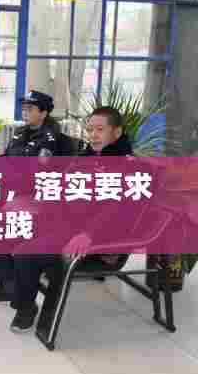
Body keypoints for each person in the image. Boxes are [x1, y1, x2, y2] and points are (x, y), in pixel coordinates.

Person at [9, 106, 134, 333]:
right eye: (90, 129)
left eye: (100, 130)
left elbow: (115, 209)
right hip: (70, 225)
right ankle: (18, 295)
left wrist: (87, 234)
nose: (93, 135)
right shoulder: (89, 157)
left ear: (116, 132)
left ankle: (26, 309)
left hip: (99, 239)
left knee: (26, 253)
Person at [0, 90, 68, 306]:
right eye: (24, 108)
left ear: (44, 113)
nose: (25, 112)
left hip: (32, 195)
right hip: (12, 187)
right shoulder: (21, 132)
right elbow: (5, 158)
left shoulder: (49, 138)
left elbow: (35, 174)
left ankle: (7, 286)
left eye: (30, 109)